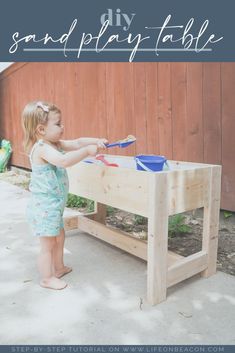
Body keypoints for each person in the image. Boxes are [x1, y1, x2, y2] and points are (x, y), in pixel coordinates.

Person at [22, 100, 107, 290]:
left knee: (59, 238)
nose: (63, 127)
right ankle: (47, 278)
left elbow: (77, 142)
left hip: (54, 206)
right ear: (41, 129)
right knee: (48, 244)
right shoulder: (43, 148)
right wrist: (86, 152)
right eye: (58, 124)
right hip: (44, 208)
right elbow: (63, 161)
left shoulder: (56, 143)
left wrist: (95, 141)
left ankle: (58, 268)